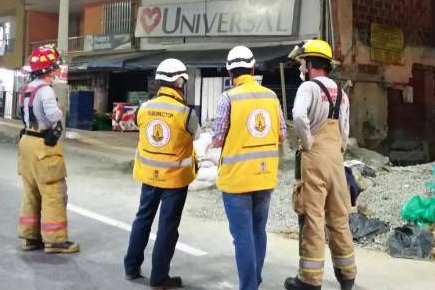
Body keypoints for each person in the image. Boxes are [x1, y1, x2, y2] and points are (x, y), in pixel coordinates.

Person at [211, 45, 286, 290]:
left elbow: (218, 139)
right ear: (253, 69)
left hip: (237, 181)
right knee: (258, 232)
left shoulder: (228, 98)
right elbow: (282, 135)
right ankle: (255, 279)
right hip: (264, 177)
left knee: (242, 236)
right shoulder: (271, 96)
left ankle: (249, 286)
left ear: (229, 72)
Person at [284, 39, 356, 290]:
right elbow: (345, 129)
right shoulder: (341, 92)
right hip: (336, 159)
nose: (301, 67)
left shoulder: (308, 88)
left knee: (313, 218)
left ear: (312, 64)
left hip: (314, 158)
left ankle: (309, 280)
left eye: (303, 62)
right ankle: (347, 276)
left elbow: (298, 116)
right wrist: (337, 150)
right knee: (339, 218)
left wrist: (308, 142)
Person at [124, 58, 199, 290]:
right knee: (167, 226)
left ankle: (131, 268)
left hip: (148, 176)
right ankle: (159, 278)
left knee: (143, 218)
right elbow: (195, 136)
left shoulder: (144, 108)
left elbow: (136, 123)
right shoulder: (186, 113)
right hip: (175, 180)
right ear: (179, 81)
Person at [16, 46, 80, 254]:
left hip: (26, 142)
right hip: (43, 145)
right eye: (56, 66)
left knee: (31, 192)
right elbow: (53, 116)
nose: (59, 69)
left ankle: (30, 238)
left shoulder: (27, 89)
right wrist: (61, 110)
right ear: (49, 69)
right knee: (53, 192)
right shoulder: (45, 90)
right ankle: (55, 241)